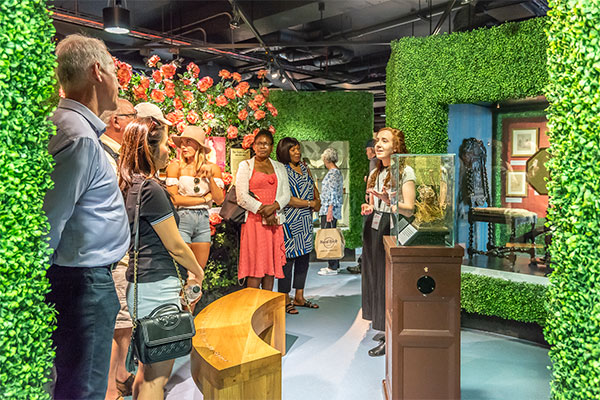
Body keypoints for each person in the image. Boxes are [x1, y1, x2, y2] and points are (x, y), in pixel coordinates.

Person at [43, 34, 129, 399]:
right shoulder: (78, 137)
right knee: (84, 389)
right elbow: (48, 222)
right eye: (113, 69)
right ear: (97, 72)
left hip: (82, 283)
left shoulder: (70, 129)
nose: (117, 79)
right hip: (83, 287)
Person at [118, 118, 205, 399]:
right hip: (157, 287)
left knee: (145, 373)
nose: (171, 150)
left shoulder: (130, 185)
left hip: (140, 284)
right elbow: (176, 246)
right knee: (157, 378)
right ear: (149, 147)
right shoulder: (152, 190)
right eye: (167, 144)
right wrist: (197, 272)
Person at [361, 127, 416, 357]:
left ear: (396, 146)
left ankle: (391, 335)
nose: (378, 145)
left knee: (387, 281)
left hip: (393, 228)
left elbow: (410, 208)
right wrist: (371, 206)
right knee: (374, 276)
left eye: (385, 141)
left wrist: (389, 202)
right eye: (377, 141)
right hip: (376, 225)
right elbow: (378, 203)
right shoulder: (377, 171)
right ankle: (383, 326)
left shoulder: (406, 170)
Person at [99, 98, 138, 400]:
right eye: (132, 116)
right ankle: (112, 390)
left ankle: (121, 376)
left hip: (118, 252)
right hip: (112, 254)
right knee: (117, 322)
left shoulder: (114, 155)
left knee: (123, 322)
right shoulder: (105, 155)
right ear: (117, 121)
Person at [236, 130, 291, 290]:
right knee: (255, 269)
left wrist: (273, 207)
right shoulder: (245, 165)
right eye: (260, 143)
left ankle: (267, 311)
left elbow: (286, 194)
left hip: (274, 222)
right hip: (255, 222)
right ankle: (251, 310)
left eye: (266, 144)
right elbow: (241, 196)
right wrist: (263, 210)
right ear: (253, 146)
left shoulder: (279, 167)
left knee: (270, 269)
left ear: (272, 147)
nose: (263, 147)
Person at [166, 126, 225, 275]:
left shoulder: (213, 168)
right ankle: (180, 299)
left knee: (198, 272)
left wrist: (210, 177)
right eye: (182, 143)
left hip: (203, 221)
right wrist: (204, 199)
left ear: (198, 145)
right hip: (182, 218)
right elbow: (174, 200)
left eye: (188, 142)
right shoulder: (175, 167)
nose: (184, 146)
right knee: (181, 271)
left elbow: (219, 199)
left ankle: (193, 298)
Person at [276, 137, 321, 314]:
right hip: (290, 220)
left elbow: (312, 186)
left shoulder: (304, 167)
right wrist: (311, 204)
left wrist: (317, 200)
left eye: (298, 149)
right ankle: (285, 299)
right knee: (288, 260)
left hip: (306, 220)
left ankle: (300, 297)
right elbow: (288, 199)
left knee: (304, 258)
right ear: (284, 151)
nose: (297, 152)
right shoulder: (282, 170)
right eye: (292, 149)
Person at [348, 138, 378, 275]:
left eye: (367, 150)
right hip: (375, 204)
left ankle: (363, 265)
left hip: (375, 206)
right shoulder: (377, 163)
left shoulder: (374, 162)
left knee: (368, 235)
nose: (366, 153)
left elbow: (372, 184)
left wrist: (369, 195)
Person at [317, 148, 344, 276]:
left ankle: (332, 267)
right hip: (328, 208)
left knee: (329, 237)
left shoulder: (333, 173)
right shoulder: (336, 172)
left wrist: (329, 210)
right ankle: (333, 265)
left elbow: (332, 192)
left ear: (326, 159)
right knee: (330, 235)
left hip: (329, 209)